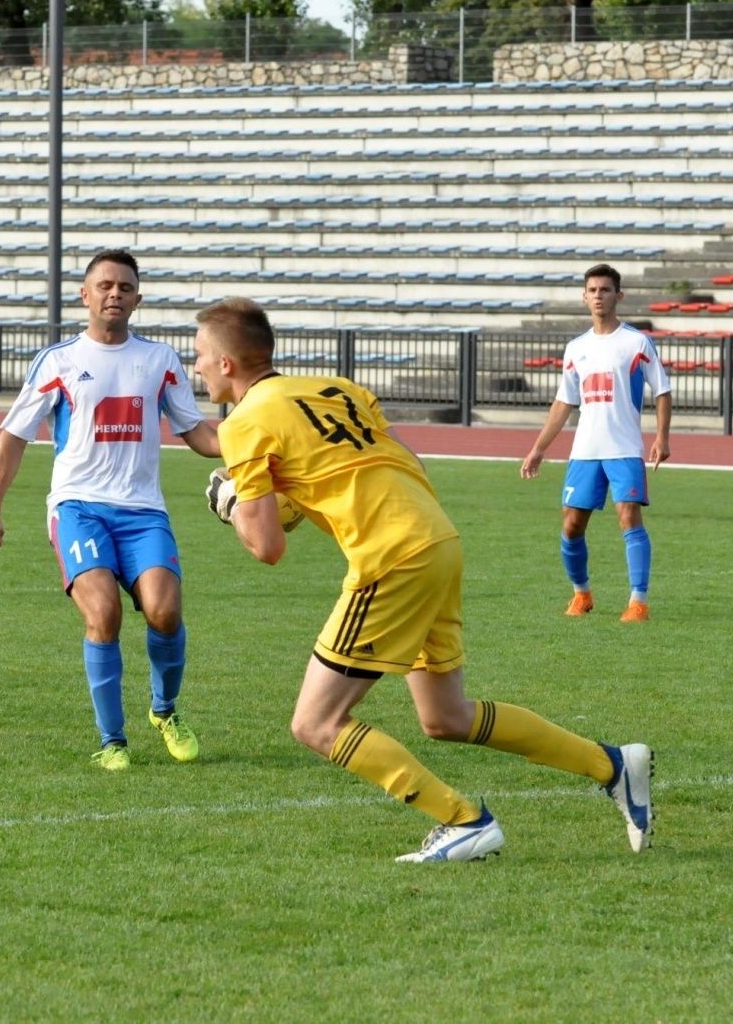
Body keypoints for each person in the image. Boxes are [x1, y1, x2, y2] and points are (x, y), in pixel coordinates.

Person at [194, 297, 653, 863]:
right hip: (437, 538)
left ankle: (464, 820)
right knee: (445, 717)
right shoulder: (335, 388)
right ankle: (611, 764)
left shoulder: (243, 423)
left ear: (226, 365)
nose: (195, 368)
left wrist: (233, 502)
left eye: (198, 356)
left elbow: (266, 547)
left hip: (392, 556)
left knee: (316, 723)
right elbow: (399, 461)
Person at [0, 250, 221, 771]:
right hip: (79, 508)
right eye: (104, 285)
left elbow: (197, 433)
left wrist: (250, 441)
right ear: (84, 295)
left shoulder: (160, 361)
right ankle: (113, 741)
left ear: (138, 298)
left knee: (165, 610)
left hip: (143, 512)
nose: (115, 294)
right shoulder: (58, 361)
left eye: (125, 287)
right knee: (104, 614)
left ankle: (165, 710)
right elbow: (13, 437)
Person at [520, 264, 672, 622]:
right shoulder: (576, 348)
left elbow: (662, 390)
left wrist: (662, 437)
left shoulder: (636, 342)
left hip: (624, 448)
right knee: (571, 525)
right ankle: (581, 594)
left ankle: (638, 602)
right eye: (593, 290)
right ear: (584, 297)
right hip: (586, 450)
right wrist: (539, 447)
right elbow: (564, 402)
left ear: (618, 296)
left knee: (628, 517)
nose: (599, 296)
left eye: (605, 290)